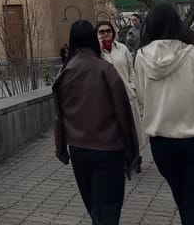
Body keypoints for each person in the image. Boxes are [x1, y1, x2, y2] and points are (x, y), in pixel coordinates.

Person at [135, 3, 194, 225]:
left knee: (184, 200)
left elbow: (143, 98)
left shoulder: (141, 57)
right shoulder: (192, 54)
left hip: (162, 144)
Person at [52, 20, 140, 225]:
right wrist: (132, 150)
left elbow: (59, 114)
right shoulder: (105, 69)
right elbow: (123, 112)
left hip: (78, 149)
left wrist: (61, 147)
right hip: (108, 148)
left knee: (94, 205)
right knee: (108, 207)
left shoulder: (65, 73)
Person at [96, 20, 144, 149]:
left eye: (108, 31)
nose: (106, 34)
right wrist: (98, 50)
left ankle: (135, 158)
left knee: (131, 128)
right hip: (107, 99)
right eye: (101, 31)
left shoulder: (122, 48)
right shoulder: (95, 53)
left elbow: (131, 68)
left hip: (126, 95)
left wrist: (132, 86)